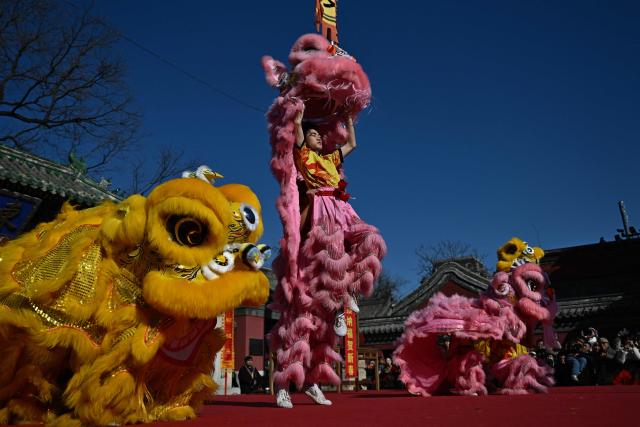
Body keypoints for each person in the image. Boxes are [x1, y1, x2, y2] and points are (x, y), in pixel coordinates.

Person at [293, 103, 360, 338]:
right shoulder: (304, 155)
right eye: (313, 134)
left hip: (341, 204)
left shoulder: (331, 159)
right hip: (322, 204)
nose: (318, 138)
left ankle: (349, 288)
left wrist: (349, 120)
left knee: (359, 243)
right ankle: (338, 311)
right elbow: (299, 134)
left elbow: (352, 144)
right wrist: (299, 117)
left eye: (320, 135)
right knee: (332, 254)